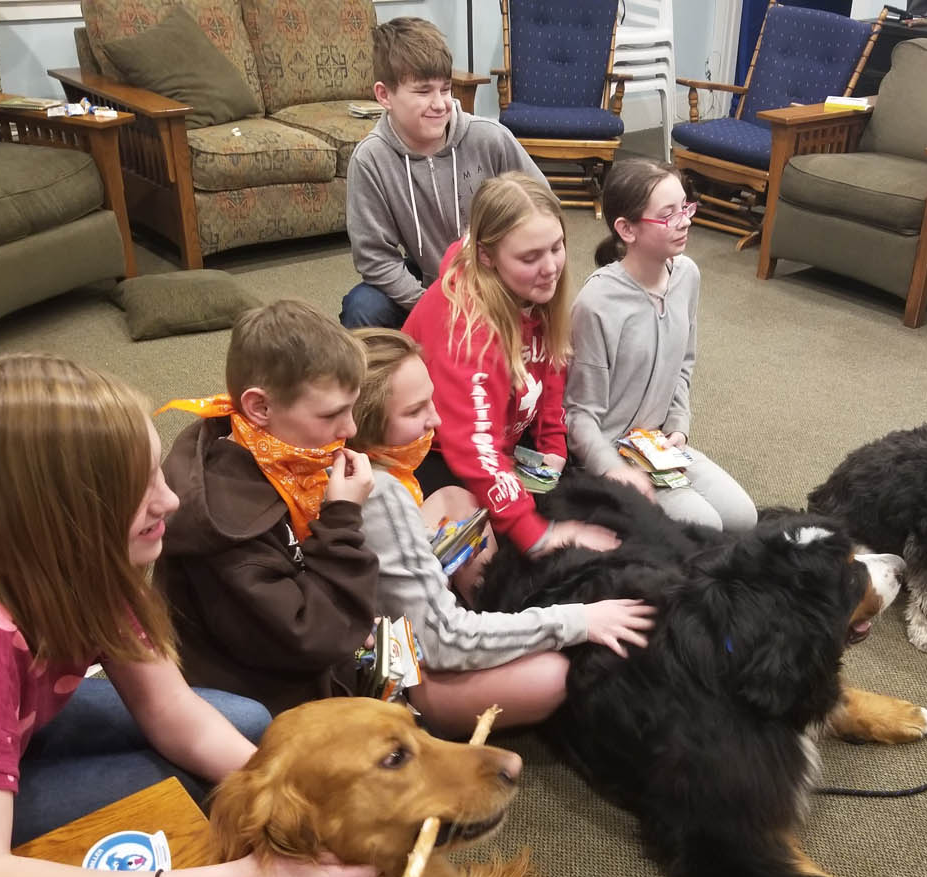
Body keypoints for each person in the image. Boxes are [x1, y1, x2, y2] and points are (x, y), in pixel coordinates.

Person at [0, 355, 384, 877]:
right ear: (54, 512)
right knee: (183, 798)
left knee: (246, 728)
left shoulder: (81, 556)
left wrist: (297, 810)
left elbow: (172, 712)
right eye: (135, 491)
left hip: (1, 731)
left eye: (156, 475)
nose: (171, 502)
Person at [348, 328, 655, 736]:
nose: (435, 420)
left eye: (431, 402)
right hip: (409, 662)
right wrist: (577, 621)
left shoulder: (362, 468)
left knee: (456, 500)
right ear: (363, 422)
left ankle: (494, 621)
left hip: (403, 609)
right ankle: (445, 694)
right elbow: (443, 641)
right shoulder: (382, 496)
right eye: (414, 411)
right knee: (551, 675)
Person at [156, 300, 379, 714]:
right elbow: (309, 636)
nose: (350, 429)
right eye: (332, 414)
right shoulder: (227, 525)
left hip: (295, 653)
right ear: (259, 407)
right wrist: (343, 520)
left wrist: (352, 618)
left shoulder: (279, 456)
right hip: (259, 701)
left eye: (352, 409)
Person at [403, 172, 617, 557]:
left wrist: (553, 447)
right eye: (530, 257)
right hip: (435, 456)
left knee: (597, 514)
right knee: (488, 562)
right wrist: (535, 534)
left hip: (507, 443)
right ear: (486, 256)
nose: (551, 266)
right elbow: (474, 447)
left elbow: (549, 367)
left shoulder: (533, 288)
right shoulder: (465, 328)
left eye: (557, 247)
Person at [567, 158, 757, 532]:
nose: (685, 221)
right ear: (627, 228)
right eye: (668, 214)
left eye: (685, 207)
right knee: (705, 528)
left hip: (657, 446)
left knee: (743, 518)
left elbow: (684, 362)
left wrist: (679, 426)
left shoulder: (687, 275)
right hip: (611, 456)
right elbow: (579, 415)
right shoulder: (597, 304)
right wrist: (614, 471)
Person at [341, 16, 547, 329]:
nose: (440, 104)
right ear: (384, 96)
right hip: (429, 284)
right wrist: (434, 306)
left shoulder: (489, 137)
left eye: (446, 89)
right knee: (362, 306)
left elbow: (543, 208)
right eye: (423, 92)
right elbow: (375, 258)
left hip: (499, 276)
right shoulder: (370, 160)